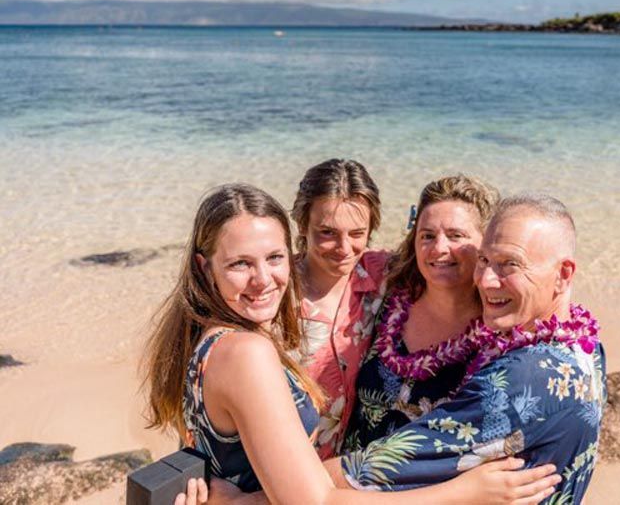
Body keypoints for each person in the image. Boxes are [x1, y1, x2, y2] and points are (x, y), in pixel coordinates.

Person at [142, 184, 561, 505]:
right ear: (204, 266)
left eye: (274, 258)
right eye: (239, 264)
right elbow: (318, 502)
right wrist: (462, 492)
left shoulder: (207, 338)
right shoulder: (246, 353)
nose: (263, 280)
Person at [330, 194, 606, 504]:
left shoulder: (516, 382)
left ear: (564, 274)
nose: (486, 280)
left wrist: (277, 493)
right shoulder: (588, 348)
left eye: (509, 265)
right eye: (485, 260)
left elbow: (363, 473)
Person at [344, 175, 499, 452]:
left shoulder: (499, 334)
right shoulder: (385, 295)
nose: (439, 248)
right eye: (427, 236)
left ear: (486, 243)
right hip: (341, 482)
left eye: (456, 236)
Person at [290, 158, 390, 458]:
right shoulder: (273, 293)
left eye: (357, 233)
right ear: (302, 224)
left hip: (338, 472)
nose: (345, 249)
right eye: (328, 233)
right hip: (270, 474)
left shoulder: (380, 276)